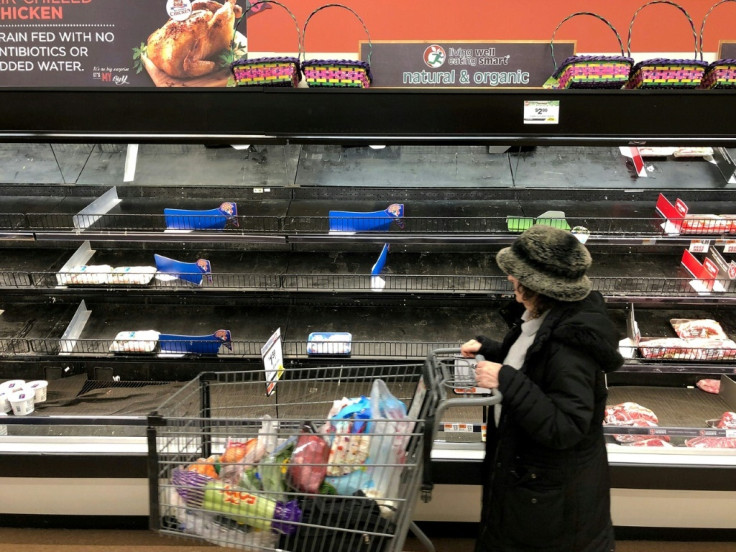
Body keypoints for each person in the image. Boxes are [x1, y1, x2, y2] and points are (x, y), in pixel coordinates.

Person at [461, 224, 623, 552]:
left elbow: (566, 426)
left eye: (515, 274)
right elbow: (536, 363)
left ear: (536, 286)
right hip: (531, 486)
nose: (509, 279)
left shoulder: (571, 346)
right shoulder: (545, 317)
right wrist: (489, 349)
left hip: (551, 504)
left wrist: (505, 379)